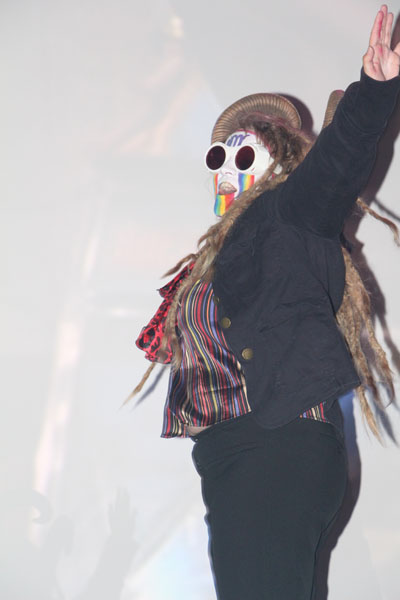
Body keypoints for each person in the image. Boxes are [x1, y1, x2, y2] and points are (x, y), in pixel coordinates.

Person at [134, 5, 400, 599]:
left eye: (246, 155)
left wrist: (374, 91)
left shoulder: (286, 214)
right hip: (239, 456)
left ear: (279, 164)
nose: (228, 168)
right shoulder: (218, 255)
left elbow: (335, 166)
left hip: (272, 447)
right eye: (218, 157)